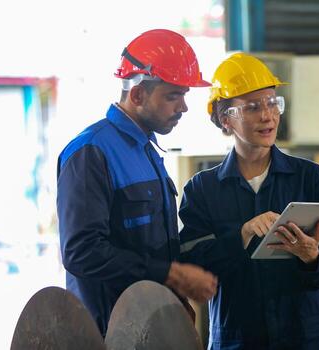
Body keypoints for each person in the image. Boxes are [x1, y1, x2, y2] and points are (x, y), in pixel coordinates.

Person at [178, 52, 319, 350]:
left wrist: (313, 257)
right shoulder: (202, 190)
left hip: (305, 339)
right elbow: (191, 265)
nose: (267, 115)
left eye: (273, 103)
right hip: (237, 339)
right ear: (225, 119)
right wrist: (242, 235)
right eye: (252, 107)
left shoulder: (312, 180)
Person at [56, 29, 218, 336]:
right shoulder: (91, 152)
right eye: (173, 96)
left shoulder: (145, 149)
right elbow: (82, 251)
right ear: (138, 94)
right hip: (108, 333)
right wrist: (171, 275)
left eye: (184, 95)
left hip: (148, 327)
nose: (183, 107)